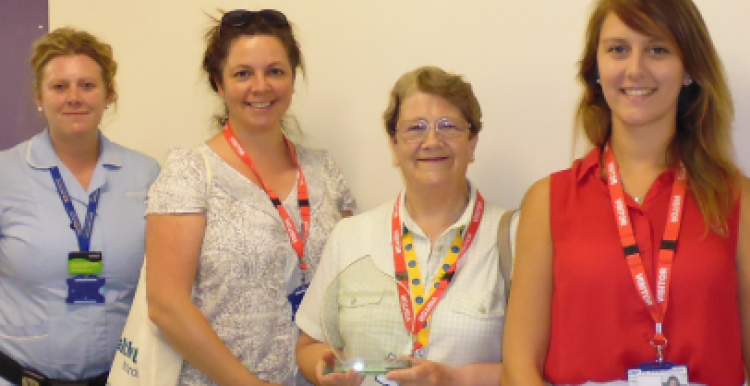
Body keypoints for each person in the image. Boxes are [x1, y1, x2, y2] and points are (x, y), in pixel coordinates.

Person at [501, 0, 750, 384]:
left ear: (689, 70)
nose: (635, 69)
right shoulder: (548, 201)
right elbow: (520, 368)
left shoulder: (738, 201)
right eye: (618, 49)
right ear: (596, 69)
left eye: (658, 49)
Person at [146, 9, 355, 385]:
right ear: (219, 83)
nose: (261, 87)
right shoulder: (191, 172)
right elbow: (167, 306)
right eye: (243, 74)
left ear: (293, 78)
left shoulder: (325, 172)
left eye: (275, 71)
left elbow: (347, 290)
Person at [295, 66, 506, 386]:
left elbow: (539, 368)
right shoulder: (349, 236)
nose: (432, 141)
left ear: (472, 143)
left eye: (448, 126)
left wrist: (453, 379)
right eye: (415, 128)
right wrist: (324, 371)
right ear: (394, 145)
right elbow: (309, 346)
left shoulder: (515, 237)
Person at [0, 27, 159, 384]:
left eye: (87, 85)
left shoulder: (146, 175)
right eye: (59, 86)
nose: (74, 97)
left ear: (109, 94)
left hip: (119, 377)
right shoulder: (4, 175)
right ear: (38, 95)